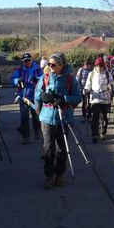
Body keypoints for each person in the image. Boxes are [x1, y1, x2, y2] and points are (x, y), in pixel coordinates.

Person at [34, 52, 81, 189]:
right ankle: (48, 176)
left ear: (62, 65)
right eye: (49, 64)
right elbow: (37, 95)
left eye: (54, 64)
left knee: (61, 149)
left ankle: (59, 174)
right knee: (48, 149)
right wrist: (42, 98)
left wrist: (64, 99)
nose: (51, 66)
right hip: (47, 118)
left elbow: (78, 97)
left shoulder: (70, 80)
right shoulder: (45, 77)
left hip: (64, 117)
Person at [11, 52, 42, 144]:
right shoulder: (20, 70)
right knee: (24, 118)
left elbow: (43, 77)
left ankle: (37, 131)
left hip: (35, 96)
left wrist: (37, 78)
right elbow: (13, 79)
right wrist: (17, 80)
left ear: (31, 60)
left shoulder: (37, 69)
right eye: (25, 61)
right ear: (23, 61)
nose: (27, 62)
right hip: (23, 96)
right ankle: (25, 137)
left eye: (29, 60)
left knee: (36, 116)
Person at [84, 56, 114, 142]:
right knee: (95, 116)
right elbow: (88, 85)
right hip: (95, 98)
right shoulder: (92, 74)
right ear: (95, 65)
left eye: (101, 65)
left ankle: (103, 132)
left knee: (104, 117)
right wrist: (86, 90)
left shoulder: (107, 73)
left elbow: (112, 83)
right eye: (98, 65)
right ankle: (94, 134)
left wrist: (111, 87)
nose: (99, 67)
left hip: (105, 98)